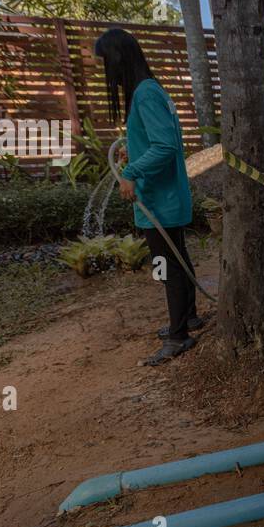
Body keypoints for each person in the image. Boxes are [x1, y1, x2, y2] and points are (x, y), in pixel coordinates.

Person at [94, 27, 203, 366]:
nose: (104, 71)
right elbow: (158, 139)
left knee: (168, 266)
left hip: (160, 199)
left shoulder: (145, 93)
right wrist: (133, 149)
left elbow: (166, 147)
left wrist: (130, 173)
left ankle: (178, 336)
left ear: (118, 59)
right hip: (166, 196)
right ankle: (187, 319)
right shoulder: (152, 90)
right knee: (177, 259)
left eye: (105, 63)